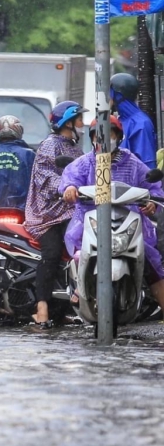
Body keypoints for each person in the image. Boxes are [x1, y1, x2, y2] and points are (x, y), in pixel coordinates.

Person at [60, 116, 164, 310]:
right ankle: (79, 287)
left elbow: (153, 187)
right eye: (98, 136)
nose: (104, 139)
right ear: (92, 138)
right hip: (89, 221)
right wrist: (69, 188)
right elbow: (70, 178)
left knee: (151, 260)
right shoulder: (85, 163)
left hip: (127, 222)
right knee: (79, 252)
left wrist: (152, 202)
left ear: (118, 136)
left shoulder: (132, 162)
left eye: (109, 134)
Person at [25, 101, 85, 326]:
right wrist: (67, 187)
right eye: (78, 118)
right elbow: (46, 178)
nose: (82, 122)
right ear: (68, 122)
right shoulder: (50, 146)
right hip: (48, 213)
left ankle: (65, 306)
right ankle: (42, 308)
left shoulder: (73, 146)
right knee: (51, 254)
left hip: (71, 210)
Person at [110, 73, 156, 169]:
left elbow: (147, 165)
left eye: (110, 95)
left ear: (118, 96)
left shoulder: (141, 123)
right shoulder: (118, 120)